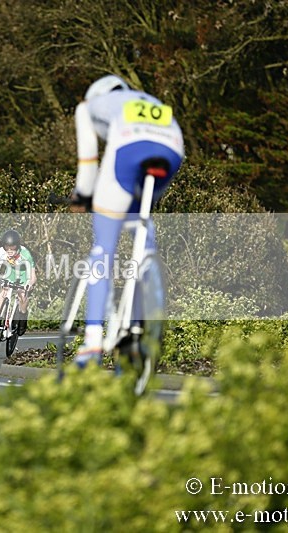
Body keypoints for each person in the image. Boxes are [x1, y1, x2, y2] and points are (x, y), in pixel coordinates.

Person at [70, 74, 185, 366]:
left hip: (130, 149)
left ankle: (93, 341)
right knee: (138, 218)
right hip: (172, 148)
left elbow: (88, 161)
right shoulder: (147, 99)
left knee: (103, 245)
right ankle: (140, 312)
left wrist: (83, 195)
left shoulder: (89, 106)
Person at [0, 229, 37, 338]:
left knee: (22, 296)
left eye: (12, 247)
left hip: (24, 274)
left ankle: (22, 318)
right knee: (3, 293)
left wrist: (30, 284)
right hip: (11, 272)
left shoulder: (25, 254)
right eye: (7, 247)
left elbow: (33, 275)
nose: (9, 250)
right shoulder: (1, 252)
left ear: (17, 246)